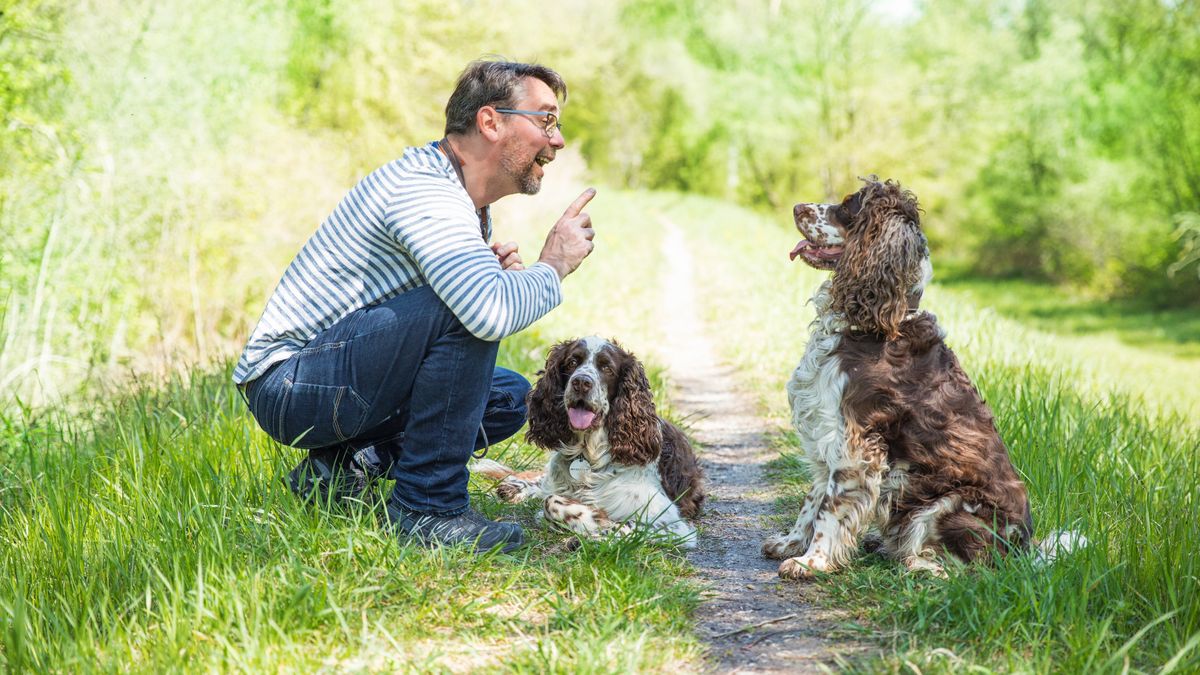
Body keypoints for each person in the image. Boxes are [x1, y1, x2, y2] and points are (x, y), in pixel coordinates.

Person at [234, 60, 595, 554]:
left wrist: (491, 278)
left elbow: (457, 308)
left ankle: (341, 470)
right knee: (463, 308)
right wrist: (551, 265)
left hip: (333, 376)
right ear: (490, 122)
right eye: (545, 120)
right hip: (289, 385)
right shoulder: (426, 189)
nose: (556, 141)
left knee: (510, 396)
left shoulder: (462, 202)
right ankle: (429, 511)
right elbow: (482, 312)